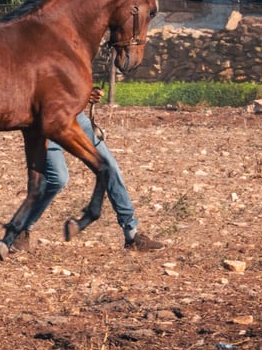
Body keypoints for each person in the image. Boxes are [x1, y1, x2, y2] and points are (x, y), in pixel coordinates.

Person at [13, 88, 164, 252]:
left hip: (77, 119)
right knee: (58, 178)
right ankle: (22, 229)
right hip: (50, 122)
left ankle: (132, 235)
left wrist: (86, 93)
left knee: (109, 167)